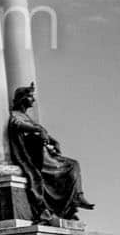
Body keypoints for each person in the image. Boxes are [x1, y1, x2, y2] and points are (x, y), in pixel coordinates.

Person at [7, 84, 94, 221]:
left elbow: (41, 131)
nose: (33, 101)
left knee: (73, 165)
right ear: (23, 98)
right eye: (30, 97)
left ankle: (75, 199)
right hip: (38, 158)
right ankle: (71, 203)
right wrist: (37, 130)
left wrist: (52, 140)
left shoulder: (26, 116)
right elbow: (16, 124)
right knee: (70, 166)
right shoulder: (15, 115)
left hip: (45, 154)